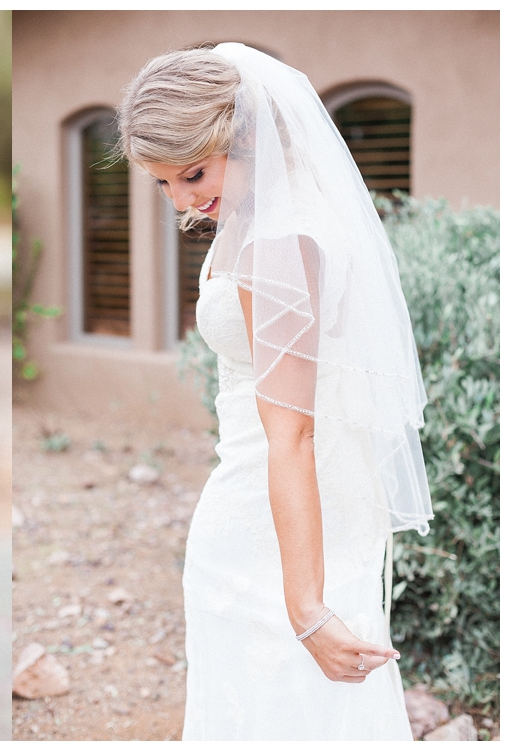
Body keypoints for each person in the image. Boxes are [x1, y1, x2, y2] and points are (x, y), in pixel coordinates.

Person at [116, 43, 433, 740]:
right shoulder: (291, 215)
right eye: (163, 184)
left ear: (245, 133)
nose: (182, 202)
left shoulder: (276, 242)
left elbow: (292, 430)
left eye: (193, 173)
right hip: (304, 506)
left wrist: (305, 609)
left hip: (269, 524)